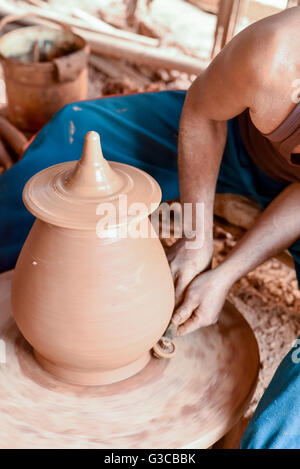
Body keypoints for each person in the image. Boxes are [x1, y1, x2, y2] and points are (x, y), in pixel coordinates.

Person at [0, 6, 299, 449]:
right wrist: (196, 239)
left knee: (281, 434)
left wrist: (228, 272)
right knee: (73, 131)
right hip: (234, 134)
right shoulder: (274, 54)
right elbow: (203, 111)